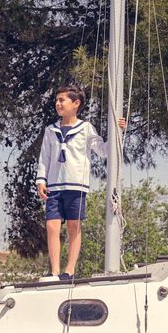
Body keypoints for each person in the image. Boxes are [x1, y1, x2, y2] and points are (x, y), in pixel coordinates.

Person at [36, 84, 126, 281]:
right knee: (52, 226)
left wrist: (117, 132)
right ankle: (54, 271)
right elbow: (44, 157)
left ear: (76, 103)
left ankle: (69, 271)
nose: (58, 103)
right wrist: (41, 180)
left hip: (76, 186)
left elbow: (103, 150)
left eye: (62, 100)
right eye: (57, 100)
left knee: (73, 227)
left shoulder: (85, 128)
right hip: (54, 185)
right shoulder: (50, 130)